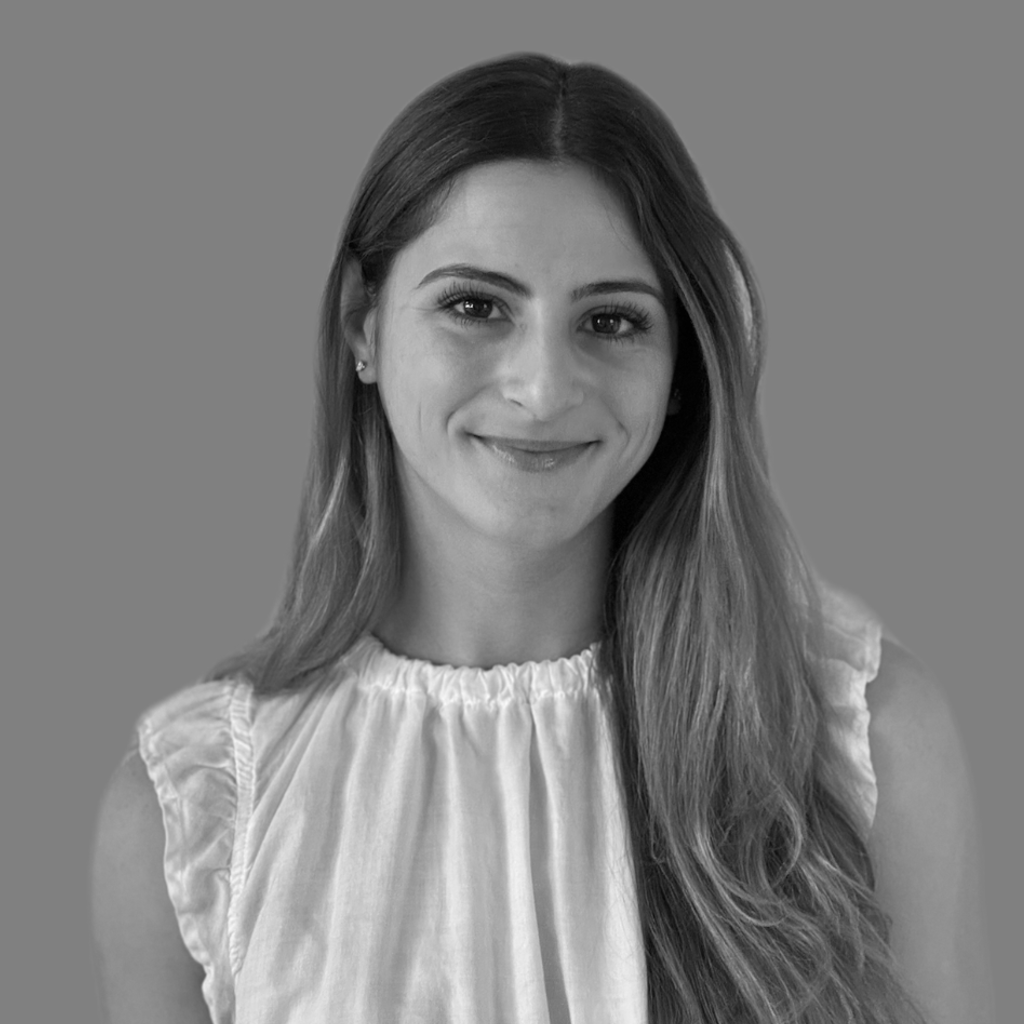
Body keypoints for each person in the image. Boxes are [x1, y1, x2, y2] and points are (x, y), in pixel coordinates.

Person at [90, 53, 993, 1024]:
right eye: (475, 306)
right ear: (363, 325)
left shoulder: (862, 745)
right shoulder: (202, 819)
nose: (543, 387)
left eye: (611, 320)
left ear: (680, 370)